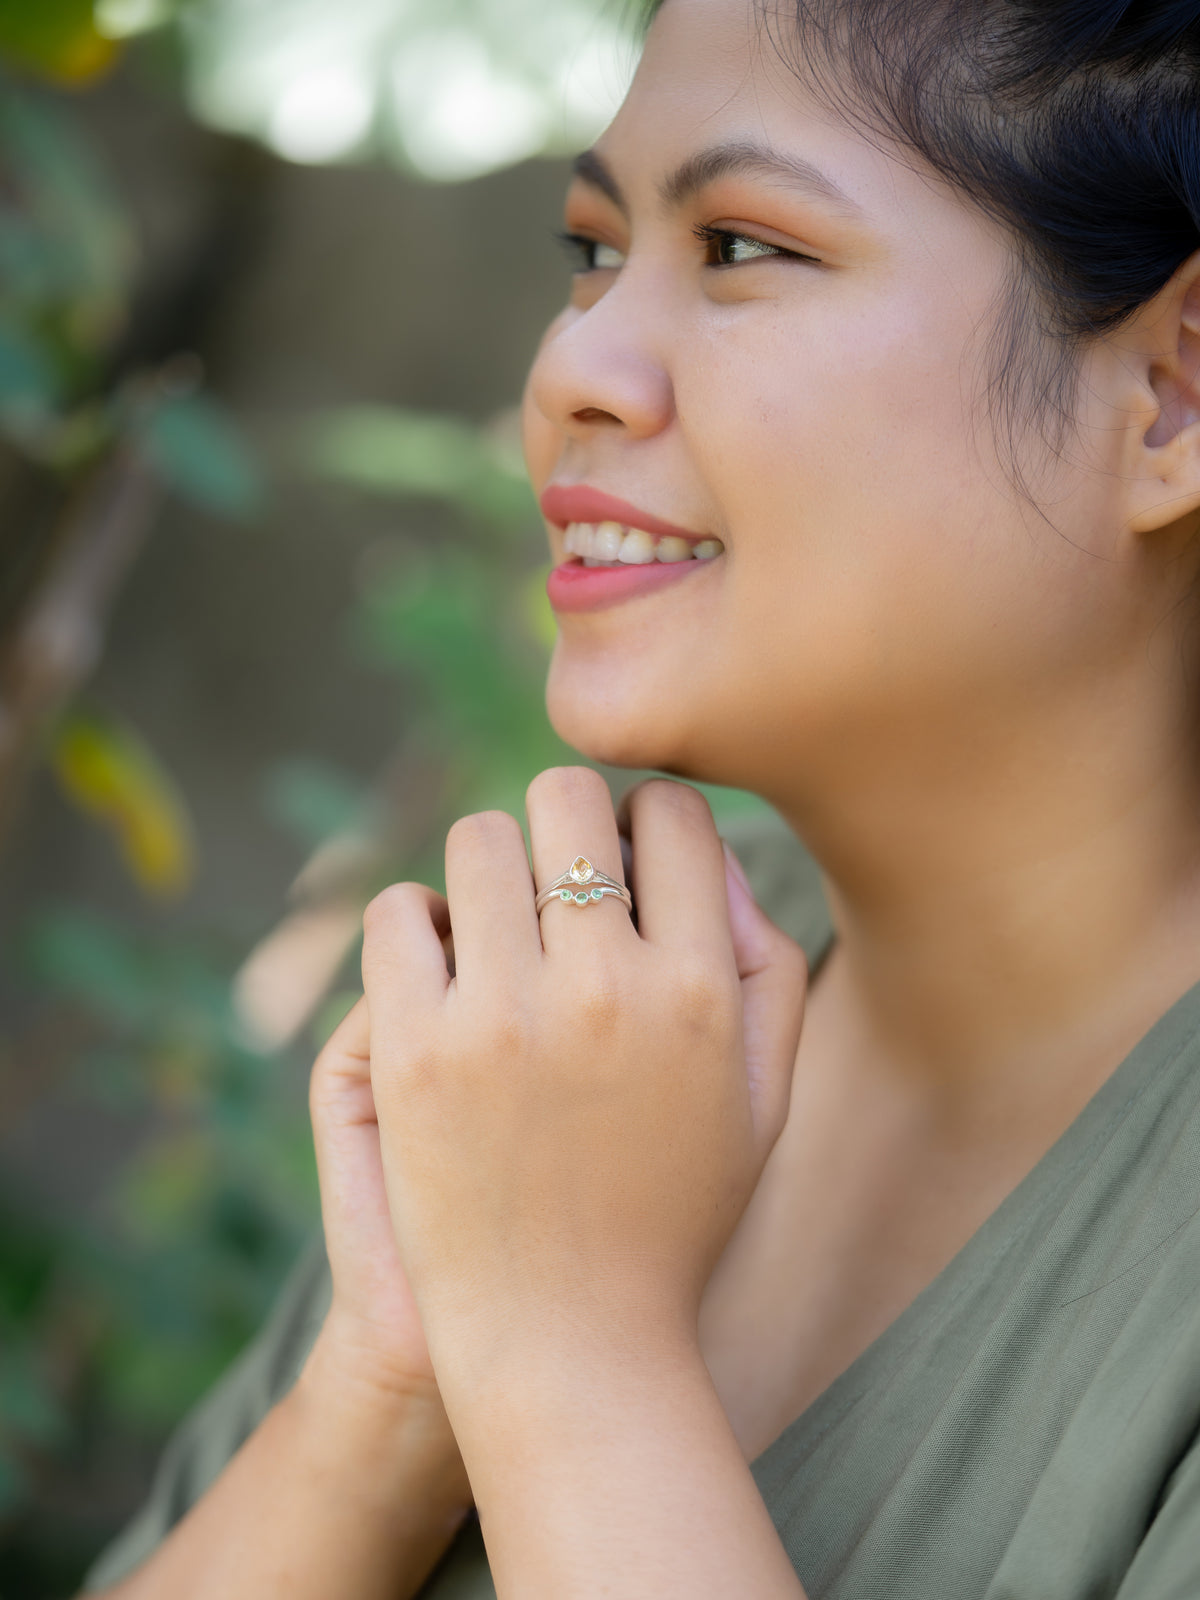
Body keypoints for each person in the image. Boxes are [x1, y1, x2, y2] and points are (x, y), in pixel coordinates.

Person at [81, 0, 1200, 1594]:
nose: (574, 366)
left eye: (742, 247)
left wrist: (562, 1342)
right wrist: (389, 1392)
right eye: (591, 251)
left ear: (1172, 394)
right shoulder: (567, 1010)